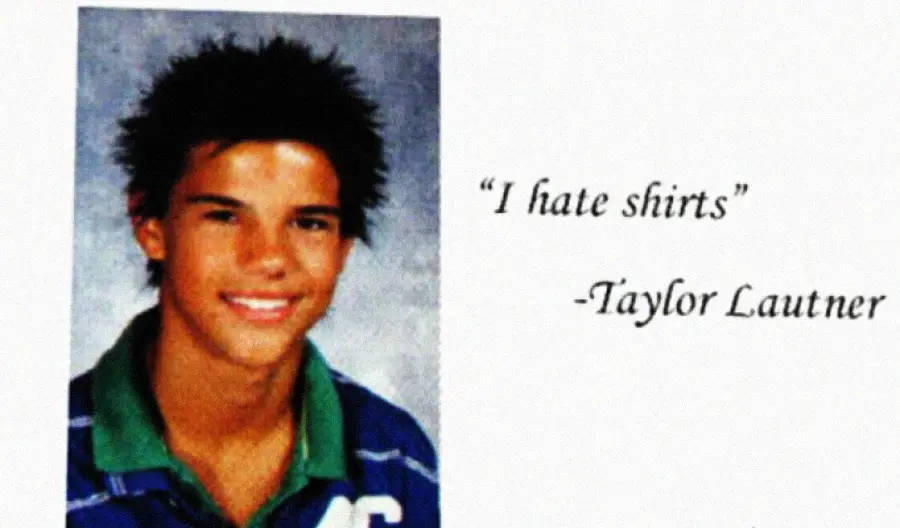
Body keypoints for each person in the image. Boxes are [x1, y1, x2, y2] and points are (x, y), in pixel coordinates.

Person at [66, 35, 439, 528]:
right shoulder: (42, 457)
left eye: (308, 223)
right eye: (224, 216)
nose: (269, 259)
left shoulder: (394, 456)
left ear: (344, 246)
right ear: (150, 224)